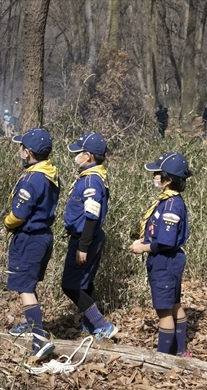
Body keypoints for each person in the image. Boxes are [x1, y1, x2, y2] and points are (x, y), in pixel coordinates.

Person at [129, 152, 192, 358]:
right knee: (174, 304)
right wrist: (144, 240)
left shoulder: (171, 205)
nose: (154, 176)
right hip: (169, 261)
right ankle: (180, 350)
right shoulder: (167, 201)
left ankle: (164, 357)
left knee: (164, 311)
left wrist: (144, 248)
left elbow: (166, 241)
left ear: (168, 179)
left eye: (158, 173)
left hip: (165, 262)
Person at [6, 128, 60, 362]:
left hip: (30, 238)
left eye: (21, 148)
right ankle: (32, 324)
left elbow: (19, 213)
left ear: (27, 153)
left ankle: (39, 340)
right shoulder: (50, 174)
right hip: (44, 236)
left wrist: (8, 224)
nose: (19, 152)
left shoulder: (31, 178)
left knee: (25, 288)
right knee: (29, 282)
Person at [62, 132, 118, 340]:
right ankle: (90, 324)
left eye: (79, 153)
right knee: (85, 282)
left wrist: (83, 246)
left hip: (85, 238)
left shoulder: (91, 182)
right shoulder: (93, 176)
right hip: (86, 237)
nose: (75, 156)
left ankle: (102, 325)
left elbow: (91, 216)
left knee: (70, 285)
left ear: (89, 156)